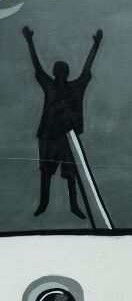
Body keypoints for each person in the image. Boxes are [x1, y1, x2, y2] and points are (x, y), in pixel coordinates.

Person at [22, 25, 102, 218]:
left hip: (68, 136)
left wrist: (96, 45)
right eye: (58, 70)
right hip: (49, 135)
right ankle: (43, 203)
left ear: (65, 72)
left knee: (71, 173)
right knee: (46, 171)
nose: (60, 72)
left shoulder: (76, 87)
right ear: (56, 72)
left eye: (62, 70)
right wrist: (29, 41)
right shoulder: (49, 86)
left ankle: (74, 205)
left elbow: (86, 68)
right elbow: (37, 66)